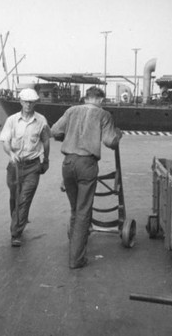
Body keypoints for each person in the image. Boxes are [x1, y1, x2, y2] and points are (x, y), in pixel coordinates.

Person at [51, 86, 122, 269]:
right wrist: (118, 135)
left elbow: (55, 131)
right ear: (99, 100)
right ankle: (76, 259)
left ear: (85, 98)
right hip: (86, 164)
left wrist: (69, 138)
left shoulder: (71, 110)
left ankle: (75, 246)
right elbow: (109, 141)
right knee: (83, 211)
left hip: (67, 164)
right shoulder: (103, 114)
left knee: (75, 209)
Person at [0, 88, 51, 247]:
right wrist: (11, 154)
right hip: (14, 166)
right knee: (14, 198)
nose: (28, 105)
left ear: (35, 103)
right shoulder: (12, 120)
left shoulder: (41, 121)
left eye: (31, 102)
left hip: (32, 166)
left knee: (24, 199)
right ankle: (18, 220)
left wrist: (46, 160)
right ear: (20, 102)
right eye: (26, 101)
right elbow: (5, 141)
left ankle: (16, 232)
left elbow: (46, 141)